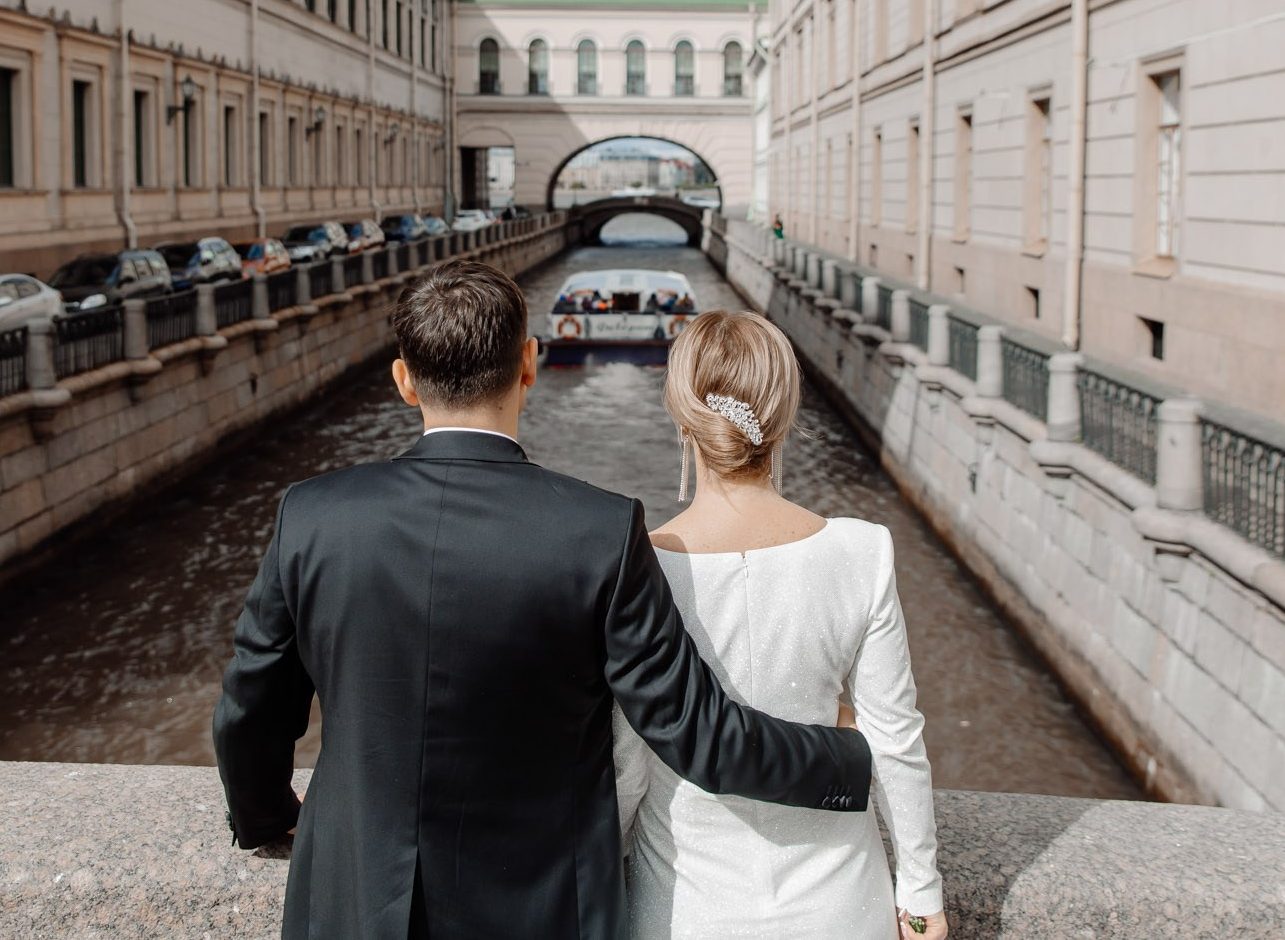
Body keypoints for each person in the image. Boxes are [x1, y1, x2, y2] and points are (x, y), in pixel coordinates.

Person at [212, 260, 874, 940]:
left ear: (403, 379)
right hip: (542, 908)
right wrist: (853, 758)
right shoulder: (601, 531)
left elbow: (250, 709)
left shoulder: (314, 517)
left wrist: (265, 817)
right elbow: (698, 733)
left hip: (353, 898)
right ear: (529, 363)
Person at [614, 309, 947, 939]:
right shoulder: (862, 552)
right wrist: (923, 892)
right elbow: (897, 741)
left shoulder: (636, 568)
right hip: (842, 907)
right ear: (786, 412)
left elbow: (628, 765)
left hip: (685, 907)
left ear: (682, 417)